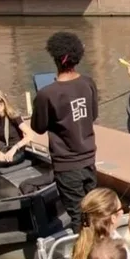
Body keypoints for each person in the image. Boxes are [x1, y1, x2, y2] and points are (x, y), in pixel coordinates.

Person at [31, 32, 98, 232]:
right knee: (93, 211)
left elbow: (38, 127)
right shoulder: (88, 82)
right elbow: (92, 115)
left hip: (67, 163)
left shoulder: (47, 93)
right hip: (89, 158)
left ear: (55, 58)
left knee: (77, 217)